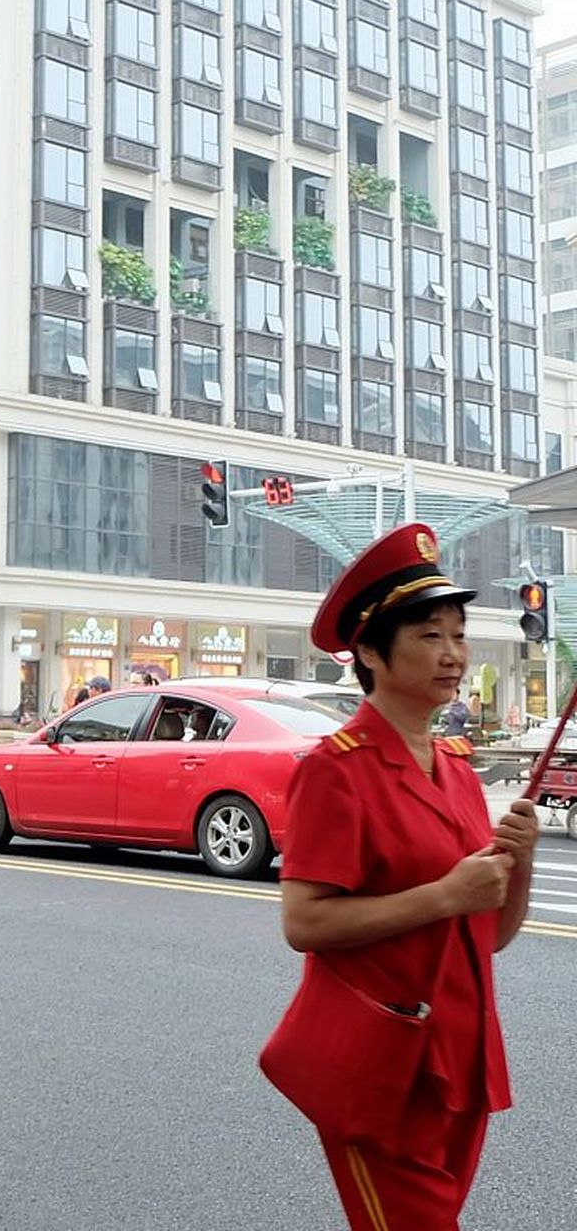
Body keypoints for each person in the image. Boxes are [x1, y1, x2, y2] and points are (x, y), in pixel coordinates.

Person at [262, 523, 537, 1230]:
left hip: (461, 1062)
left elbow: (491, 934)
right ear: (368, 651)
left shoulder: (456, 768)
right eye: (428, 636)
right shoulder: (335, 772)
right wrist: (445, 894)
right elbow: (306, 923)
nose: (453, 655)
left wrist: (519, 861)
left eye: (457, 634)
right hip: (381, 1067)